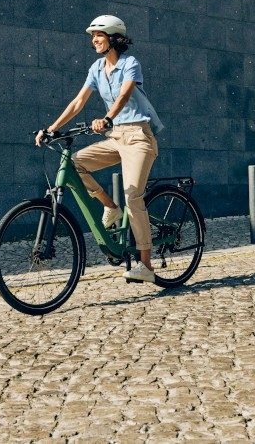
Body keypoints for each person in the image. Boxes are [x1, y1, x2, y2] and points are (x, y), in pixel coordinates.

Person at [36, 15, 162, 283]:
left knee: (134, 197)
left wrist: (107, 118)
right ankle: (109, 207)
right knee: (75, 164)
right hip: (116, 137)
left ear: (114, 39)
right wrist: (51, 128)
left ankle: (146, 265)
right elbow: (78, 102)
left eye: (99, 36)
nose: (93, 40)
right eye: (92, 36)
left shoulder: (130, 64)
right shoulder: (96, 68)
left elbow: (124, 95)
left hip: (139, 137)